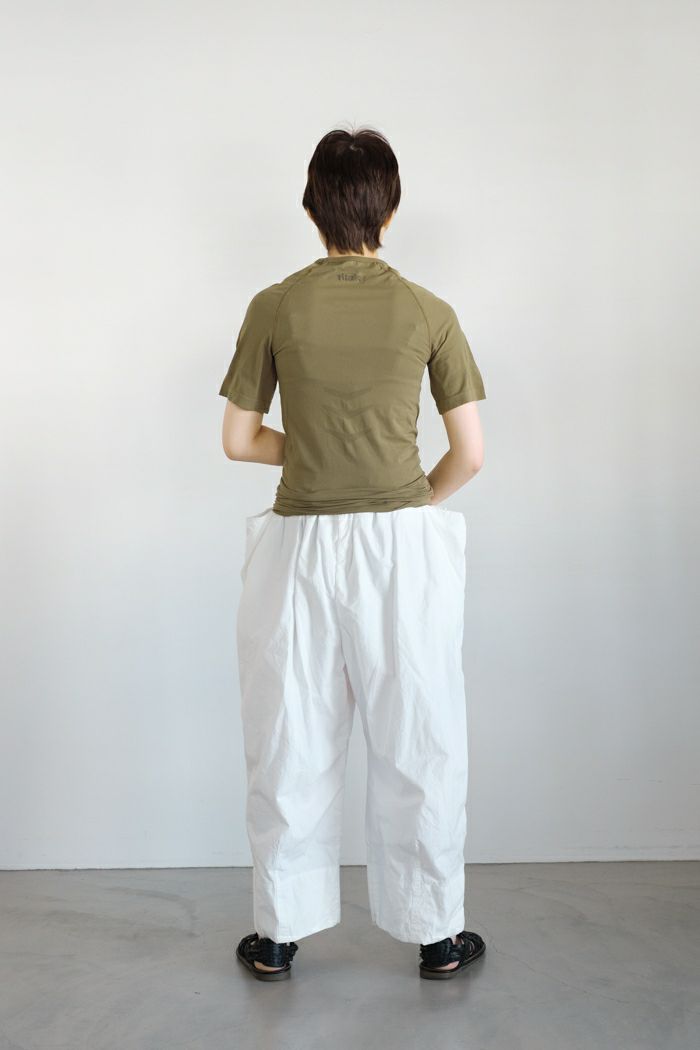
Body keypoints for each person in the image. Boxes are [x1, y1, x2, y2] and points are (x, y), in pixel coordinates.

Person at [220, 126, 487, 982]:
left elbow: (238, 440)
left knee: (290, 732)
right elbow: (470, 454)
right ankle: (437, 935)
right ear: (390, 209)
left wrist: (312, 451)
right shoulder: (428, 311)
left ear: (312, 207)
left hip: (299, 546)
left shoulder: (274, 305)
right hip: (401, 546)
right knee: (420, 734)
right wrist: (406, 501)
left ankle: (277, 935)